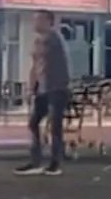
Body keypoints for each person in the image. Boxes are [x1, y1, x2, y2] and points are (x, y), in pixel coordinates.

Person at [15, 10, 71, 176]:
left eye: (39, 19)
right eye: (35, 19)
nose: (35, 23)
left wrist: (33, 86)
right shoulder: (40, 40)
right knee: (34, 122)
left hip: (57, 88)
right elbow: (36, 66)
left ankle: (54, 163)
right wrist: (31, 88)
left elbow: (39, 62)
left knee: (55, 126)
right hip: (44, 89)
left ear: (48, 22)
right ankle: (36, 161)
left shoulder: (52, 39)